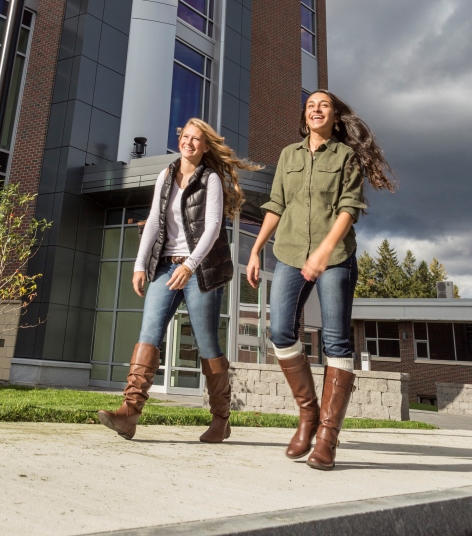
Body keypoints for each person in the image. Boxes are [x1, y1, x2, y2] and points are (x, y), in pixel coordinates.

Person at [247, 91, 395, 470]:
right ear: (304, 115)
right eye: (311, 104)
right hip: (290, 253)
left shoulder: (345, 157)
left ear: (334, 117)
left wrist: (325, 251)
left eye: (324, 105)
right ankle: (308, 414)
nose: (316, 109)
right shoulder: (288, 156)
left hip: (336, 258)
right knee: (280, 331)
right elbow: (276, 204)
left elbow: (350, 208)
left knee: (335, 342)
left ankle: (327, 436)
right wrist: (255, 249)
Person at [98, 118, 258, 443]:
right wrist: (139, 265)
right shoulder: (165, 176)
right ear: (180, 140)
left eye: (197, 139)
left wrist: (191, 264)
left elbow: (213, 227)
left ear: (205, 147)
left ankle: (221, 419)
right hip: (165, 268)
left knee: (207, 344)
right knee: (148, 335)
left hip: (200, 271)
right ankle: (129, 413)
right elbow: (156, 224)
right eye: (186, 137)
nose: (190, 143)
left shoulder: (210, 179)